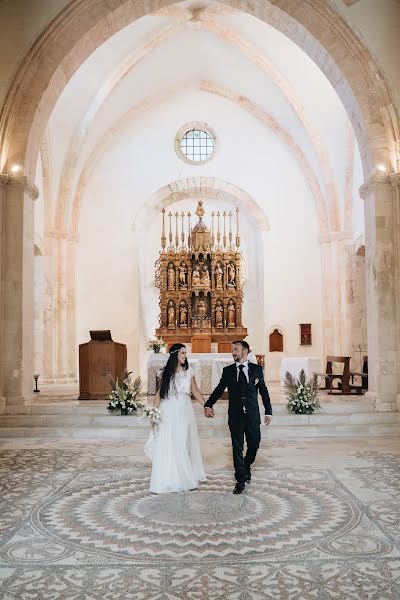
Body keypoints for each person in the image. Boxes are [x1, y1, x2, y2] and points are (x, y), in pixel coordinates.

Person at [204, 340, 272, 495]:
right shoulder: (228, 371)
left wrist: (268, 411)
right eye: (232, 350)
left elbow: (264, 392)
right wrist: (209, 404)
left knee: (254, 444)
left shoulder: (256, 370)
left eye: (236, 349)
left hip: (252, 414)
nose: (233, 352)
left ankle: (246, 465)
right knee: (237, 447)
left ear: (245, 351)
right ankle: (240, 479)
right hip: (235, 414)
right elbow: (219, 389)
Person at [145, 343, 206, 494]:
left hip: (184, 411)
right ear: (175, 355)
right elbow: (159, 395)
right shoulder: (164, 373)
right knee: (169, 444)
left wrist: (207, 405)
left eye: (186, 353)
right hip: (168, 411)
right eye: (183, 353)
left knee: (182, 443)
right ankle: (169, 479)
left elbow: (195, 391)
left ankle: (184, 477)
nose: (185, 356)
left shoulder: (189, 372)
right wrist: (154, 413)